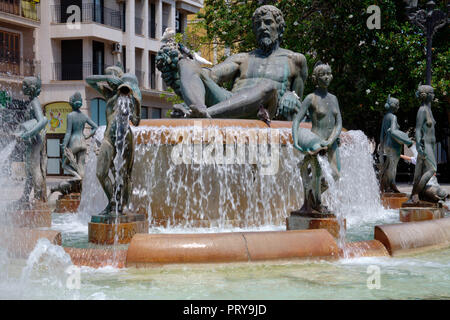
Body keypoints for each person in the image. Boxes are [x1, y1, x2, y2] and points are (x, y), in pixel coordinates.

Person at [156, 5, 308, 121]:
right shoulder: (242, 58)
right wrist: (180, 73)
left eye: (268, 22)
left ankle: (205, 114)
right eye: (258, 24)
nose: (263, 27)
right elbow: (211, 75)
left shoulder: (295, 60)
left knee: (268, 86)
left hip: (265, 111)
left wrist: (292, 95)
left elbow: (298, 105)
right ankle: (198, 110)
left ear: (280, 28)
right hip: (229, 105)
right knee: (187, 63)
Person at [86, 66, 141, 216]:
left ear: (120, 77)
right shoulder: (108, 94)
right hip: (109, 137)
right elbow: (88, 80)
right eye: (107, 77)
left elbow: (136, 122)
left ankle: (124, 205)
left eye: (112, 76)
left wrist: (136, 103)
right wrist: (104, 78)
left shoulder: (130, 92)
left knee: (125, 174)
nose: (109, 79)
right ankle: (112, 202)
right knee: (101, 173)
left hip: (126, 138)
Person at [292, 62, 342, 214]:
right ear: (315, 78)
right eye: (322, 75)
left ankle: (311, 198)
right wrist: (295, 140)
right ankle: (317, 203)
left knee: (336, 174)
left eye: (328, 74)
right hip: (316, 142)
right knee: (318, 173)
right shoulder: (310, 98)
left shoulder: (334, 99)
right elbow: (296, 120)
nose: (326, 77)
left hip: (331, 142)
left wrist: (331, 140)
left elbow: (339, 123)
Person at [50, 92, 98, 195]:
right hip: (83, 143)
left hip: (74, 142)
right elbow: (95, 127)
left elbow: (68, 133)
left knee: (64, 164)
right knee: (81, 166)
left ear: (71, 104)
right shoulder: (84, 116)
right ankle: (81, 190)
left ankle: (76, 176)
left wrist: (63, 146)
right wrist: (87, 136)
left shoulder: (70, 116)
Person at [16, 76, 48, 204]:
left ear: (32, 89)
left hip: (35, 141)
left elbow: (43, 121)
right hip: (33, 141)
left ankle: (38, 197)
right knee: (30, 170)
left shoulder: (35, 101)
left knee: (34, 169)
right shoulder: (31, 102)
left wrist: (28, 133)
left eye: (25, 86)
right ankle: (25, 196)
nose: (22, 88)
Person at [407, 85, 438, 204]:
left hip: (431, 144)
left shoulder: (428, 109)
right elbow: (418, 129)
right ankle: (416, 193)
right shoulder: (422, 110)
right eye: (432, 93)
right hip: (425, 144)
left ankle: (417, 194)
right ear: (427, 95)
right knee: (432, 169)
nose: (434, 95)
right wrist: (419, 146)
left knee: (420, 172)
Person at [378, 95, 413, 193]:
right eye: (398, 105)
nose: (398, 107)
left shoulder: (385, 117)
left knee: (389, 165)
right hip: (394, 144)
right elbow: (393, 131)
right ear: (394, 106)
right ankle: (392, 185)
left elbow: (381, 134)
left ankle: (386, 185)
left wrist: (381, 148)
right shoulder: (393, 117)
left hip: (387, 145)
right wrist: (405, 139)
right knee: (392, 167)